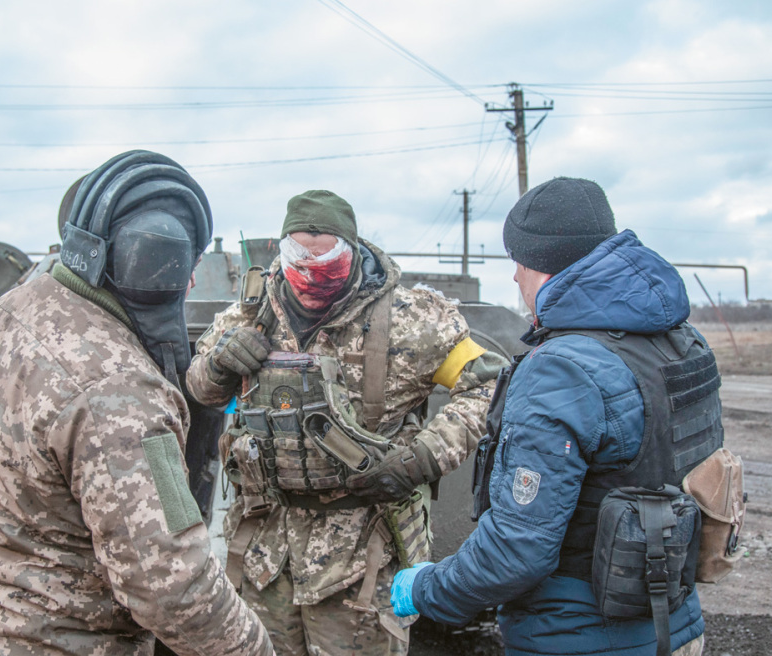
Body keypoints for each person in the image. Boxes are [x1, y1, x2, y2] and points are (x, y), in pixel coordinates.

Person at [0, 151, 274, 656]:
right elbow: (174, 589)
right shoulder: (121, 391)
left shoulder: (5, 314)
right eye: (181, 265)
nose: (187, 280)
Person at [391, 177, 717, 656]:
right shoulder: (681, 341)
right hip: (678, 623)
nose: (515, 279)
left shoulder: (561, 369)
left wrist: (427, 588)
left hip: (580, 637)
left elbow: (517, 552)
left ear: (539, 264)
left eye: (516, 263)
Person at [186, 190, 507, 655]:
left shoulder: (411, 319)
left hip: (361, 557)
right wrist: (219, 364)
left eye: (327, 257)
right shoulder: (250, 314)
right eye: (299, 256)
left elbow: (490, 385)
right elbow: (201, 390)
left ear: (352, 250)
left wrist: (423, 457)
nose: (312, 269)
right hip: (264, 551)